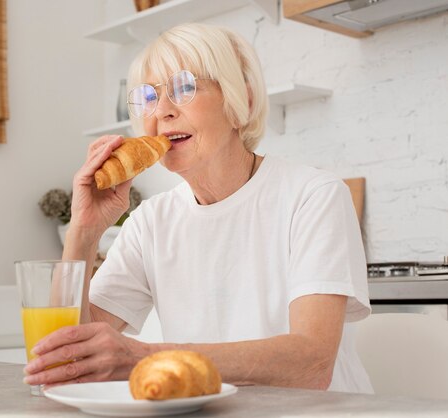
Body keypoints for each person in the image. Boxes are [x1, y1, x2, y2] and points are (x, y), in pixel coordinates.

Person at [23, 23, 373, 393]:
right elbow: (66, 357)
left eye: (185, 87)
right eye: (149, 97)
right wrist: (84, 230)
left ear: (244, 101)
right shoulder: (150, 222)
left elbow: (312, 362)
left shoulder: (313, 195)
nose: (162, 111)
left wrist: (143, 357)